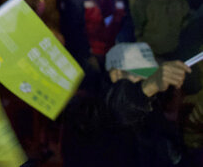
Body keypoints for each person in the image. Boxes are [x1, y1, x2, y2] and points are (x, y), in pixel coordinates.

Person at [63, 42, 192, 167]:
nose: (144, 80)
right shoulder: (89, 110)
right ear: (116, 74)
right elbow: (115, 110)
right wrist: (150, 85)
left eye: (150, 74)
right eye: (139, 75)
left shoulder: (152, 109)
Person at [61, 0, 134, 78]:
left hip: (113, 52)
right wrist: (87, 55)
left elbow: (127, 24)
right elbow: (73, 29)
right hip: (88, 53)